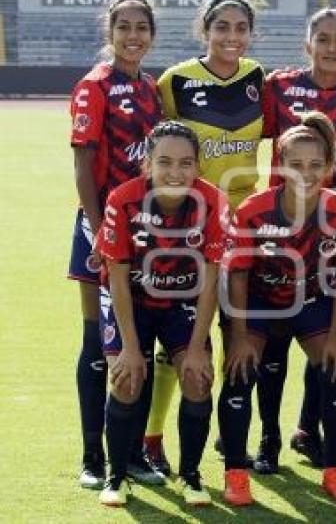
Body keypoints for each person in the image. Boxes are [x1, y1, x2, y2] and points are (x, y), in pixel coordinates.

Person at [256, 7, 336, 472]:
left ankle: (308, 427)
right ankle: (266, 437)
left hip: (335, 231)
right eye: (322, 39)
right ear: (307, 45)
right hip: (279, 228)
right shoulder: (279, 87)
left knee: (326, 332)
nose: (331, 48)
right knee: (274, 337)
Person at [148, 0, 264, 475]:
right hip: (191, 230)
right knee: (178, 341)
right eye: (222, 27)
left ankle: (229, 435)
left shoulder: (259, 78)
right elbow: (160, 154)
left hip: (250, 230)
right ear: (205, 30)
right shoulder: (175, 82)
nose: (231, 36)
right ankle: (153, 436)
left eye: (240, 28)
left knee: (242, 332)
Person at [218, 111, 336, 505]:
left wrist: (335, 336)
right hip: (259, 303)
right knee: (239, 371)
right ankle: (235, 473)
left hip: (308, 300)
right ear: (280, 167)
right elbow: (239, 277)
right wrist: (241, 336)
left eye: (316, 165)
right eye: (296, 165)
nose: (306, 173)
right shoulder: (254, 209)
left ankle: (334, 471)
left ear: (330, 166)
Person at [93, 120, 228, 506]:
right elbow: (117, 278)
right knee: (128, 378)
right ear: (148, 164)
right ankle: (115, 476)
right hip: (131, 301)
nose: (175, 172)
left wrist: (199, 347)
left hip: (181, 303)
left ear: (198, 166)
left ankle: (190, 476)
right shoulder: (123, 199)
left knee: (198, 378)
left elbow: (211, 280)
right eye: (165, 162)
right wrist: (132, 350)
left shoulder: (213, 201)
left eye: (186, 163)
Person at [67, 0, 161, 489]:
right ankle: (91, 458)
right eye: (123, 27)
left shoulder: (151, 89)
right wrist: (96, 226)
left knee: (137, 339)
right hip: (99, 229)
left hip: (146, 234)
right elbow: (83, 164)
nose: (132, 35)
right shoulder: (94, 86)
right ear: (110, 33)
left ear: (152, 34)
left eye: (141, 27)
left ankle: (130, 456)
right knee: (95, 343)